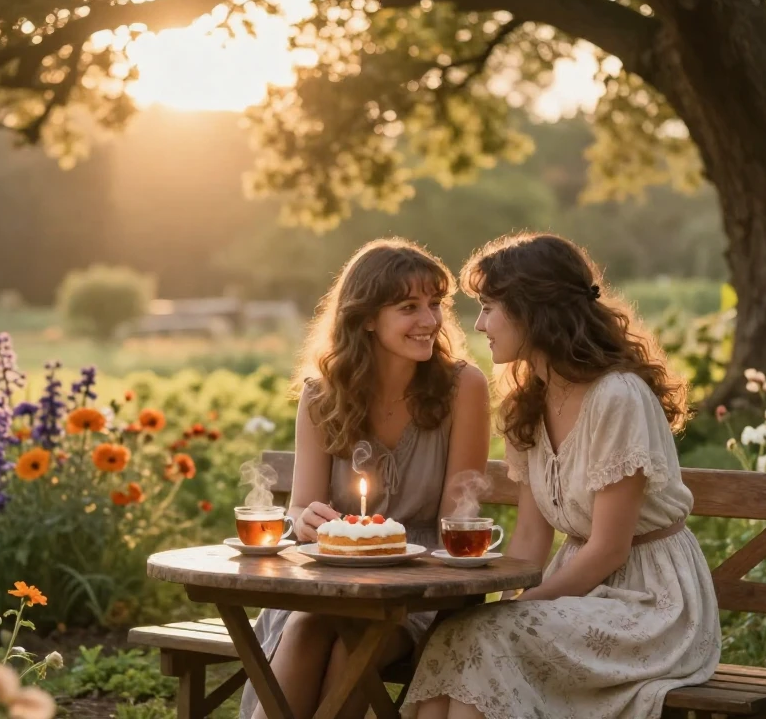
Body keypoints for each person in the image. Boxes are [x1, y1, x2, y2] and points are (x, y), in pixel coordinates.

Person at [406, 232, 720, 719]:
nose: (480, 324)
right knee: (455, 635)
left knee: (485, 636)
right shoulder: (528, 403)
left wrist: (519, 607)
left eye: (489, 308)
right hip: (579, 592)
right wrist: (506, 601)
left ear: (533, 310)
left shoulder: (617, 397)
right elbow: (532, 536)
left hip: (650, 604)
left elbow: (609, 548)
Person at [240, 237, 490, 719]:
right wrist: (305, 520)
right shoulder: (322, 395)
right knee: (305, 629)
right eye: (409, 307)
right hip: (332, 581)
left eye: (435, 304)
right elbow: (300, 507)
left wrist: (397, 568)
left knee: (351, 649)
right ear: (368, 317)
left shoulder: (463, 387)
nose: (430, 320)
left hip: (420, 589)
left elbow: (455, 525)